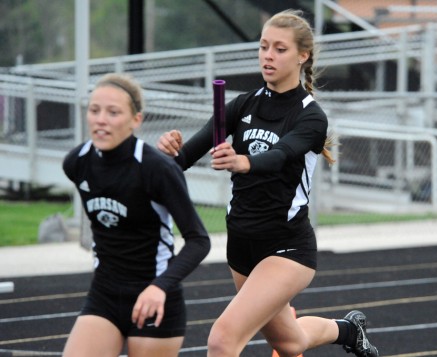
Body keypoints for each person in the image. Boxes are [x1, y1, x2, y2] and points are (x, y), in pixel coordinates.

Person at [157, 9, 379, 357]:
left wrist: (243, 162)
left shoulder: (310, 116)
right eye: (263, 47)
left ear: (302, 55)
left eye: (279, 49)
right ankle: (348, 332)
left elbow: (281, 155)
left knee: (222, 339)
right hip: (242, 243)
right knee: (291, 343)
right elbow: (181, 160)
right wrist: (168, 151)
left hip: (287, 247)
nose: (268, 56)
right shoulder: (243, 104)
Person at [62, 73, 210, 357]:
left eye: (113, 112)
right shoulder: (77, 163)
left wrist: (160, 287)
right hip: (104, 295)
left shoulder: (157, 169)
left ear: (136, 120)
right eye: (95, 110)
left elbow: (198, 241)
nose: (101, 119)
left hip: (154, 299)